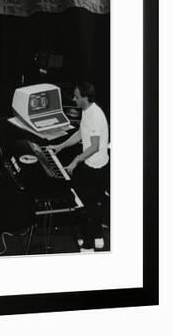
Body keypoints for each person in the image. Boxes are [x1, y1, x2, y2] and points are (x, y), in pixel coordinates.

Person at [48, 82, 109, 252]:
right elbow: (81, 132)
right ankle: (98, 237)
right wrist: (61, 146)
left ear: (85, 97)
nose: (74, 99)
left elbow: (94, 146)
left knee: (86, 204)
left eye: (76, 96)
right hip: (96, 165)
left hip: (95, 168)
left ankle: (88, 245)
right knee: (93, 203)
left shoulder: (95, 116)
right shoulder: (88, 111)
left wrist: (76, 160)